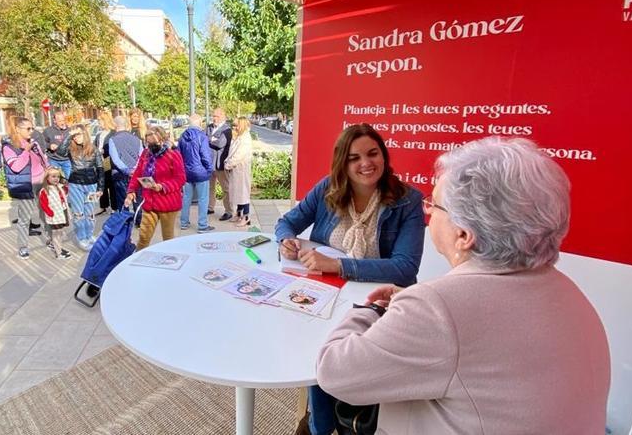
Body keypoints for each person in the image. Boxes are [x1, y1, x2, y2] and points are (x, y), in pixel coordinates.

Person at [315, 137, 611, 434]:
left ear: (464, 234)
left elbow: (333, 373)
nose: (428, 212)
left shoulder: (437, 309)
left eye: (436, 205)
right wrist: (415, 309)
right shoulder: (570, 293)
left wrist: (370, 310)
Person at [275, 124, 425, 435]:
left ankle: (329, 424)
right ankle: (320, 425)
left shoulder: (407, 201)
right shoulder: (328, 188)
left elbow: (405, 268)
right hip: (326, 293)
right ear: (343, 163)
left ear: (383, 156)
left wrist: (337, 265)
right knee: (316, 349)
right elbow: (287, 221)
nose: (365, 164)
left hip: (379, 300)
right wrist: (286, 240)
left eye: (373, 154)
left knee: (335, 354)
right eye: (354, 158)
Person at [124, 126, 186, 251]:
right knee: (143, 237)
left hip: (168, 203)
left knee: (168, 238)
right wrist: (131, 191)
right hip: (150, 203)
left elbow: (180, 178)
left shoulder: (173, 155)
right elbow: (137, 173)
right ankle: (138, 261)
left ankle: (170, 262)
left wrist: (162, 186)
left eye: (154, 143)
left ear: (162, 140)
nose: (150, 146)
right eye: (148, 143)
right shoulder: (146, 154)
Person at [2, 116, 48, 259]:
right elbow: (16, 167)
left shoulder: (33, 143)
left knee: (46, 214)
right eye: (28, 128)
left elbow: (43, 160)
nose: (31, 131)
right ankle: (23, 247)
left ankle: (51, 240)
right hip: (27, 185)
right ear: (17, 129)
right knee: (24, 218)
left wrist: (48, 170)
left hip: (42, 183)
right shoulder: (9, 147)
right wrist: (26, 151)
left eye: (32, 128)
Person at [56, 124, 103, 251]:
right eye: (74, 136)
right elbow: (60, 152)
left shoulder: (93, 149)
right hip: (75, 184)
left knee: (89, 213)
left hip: (91, 185)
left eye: (79, 134)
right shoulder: (71, 149)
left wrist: (100, 188)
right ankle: (82, 237)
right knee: (78, 213)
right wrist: (69, 136)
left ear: (85, 134)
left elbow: (100, 169)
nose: (76, 138)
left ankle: (89, 235)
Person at [178, 114, 214, 232]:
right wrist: (209, 169)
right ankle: (202, 225)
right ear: (199, 123)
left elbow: (178, 155)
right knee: (203, 198)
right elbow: (205, 155)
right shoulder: (202, 136)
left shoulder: (183, 136)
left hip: (187, 172)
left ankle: (184, 222)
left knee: (186, 198)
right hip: (201, 172)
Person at [108, 115, 143, 213]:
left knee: (123, 200)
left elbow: (115, 159)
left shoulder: (113, 140)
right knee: (137, 199)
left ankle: (125, 221)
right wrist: (135, 169)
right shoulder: (137, 139)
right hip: (136, 174)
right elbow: (141, 156)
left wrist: (127, 170)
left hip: (120, 174)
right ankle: (139, 220)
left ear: (115, 125)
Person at [224, 117, 253, 227]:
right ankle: (239, 214)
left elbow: (239, 155)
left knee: (243, 194)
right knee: (237, 193)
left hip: (241, 169)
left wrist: (228, 164)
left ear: (241, 125)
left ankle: (246, 217)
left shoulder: (245, 139)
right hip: (235, 169)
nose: (234, 127)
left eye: (236, 125)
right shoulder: (238, 136)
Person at [38, 167, 72, 259]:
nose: (56, 179)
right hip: (54, 216)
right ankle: (59, 253)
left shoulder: (60, 187)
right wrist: (50, 213)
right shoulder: (45, 190)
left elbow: (66, 193)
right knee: (56, 233)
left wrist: (65, 184)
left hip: (61, 214)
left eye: (58, 176)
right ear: (47, 178)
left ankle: (59, 247)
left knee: (59, 233)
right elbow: (43, 204)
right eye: (53, 176)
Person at [206, 108, 233, 221]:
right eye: (213, 116)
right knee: (210, 187)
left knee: (225, 188)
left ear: (223, 116)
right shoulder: (209, 127)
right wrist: (212, 139)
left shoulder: (227, 129)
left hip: (220, 164)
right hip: (209, 163)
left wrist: (211, 140)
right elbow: (204, 139)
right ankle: (210, 207)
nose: (214, 118)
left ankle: (229, 211)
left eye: (216, 116)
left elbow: (220, 143)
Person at [94, 110, 116, 216]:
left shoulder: (113, 133)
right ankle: (103, 206)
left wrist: (104, 151)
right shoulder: (99, 134)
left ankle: (114, 206)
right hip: (99, 161)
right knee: (101, 183)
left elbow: (114, 148)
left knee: (110, 183)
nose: (99, 124)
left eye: (100, 121)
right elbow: (95, 146)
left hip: (108, 160)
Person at [43, 111, 73, 180]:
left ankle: (68, 190)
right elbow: (42, 143)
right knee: (53, 181)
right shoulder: (48, 131)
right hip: (53, 160)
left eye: (63, 120)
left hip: (67, 159)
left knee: (70, 179)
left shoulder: (70, 130)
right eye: (59, 121)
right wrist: (49, 146)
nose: (62, 123)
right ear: (54, 121)